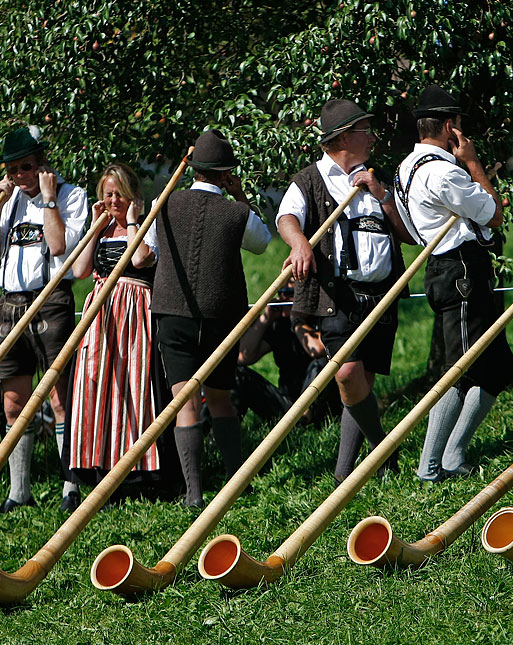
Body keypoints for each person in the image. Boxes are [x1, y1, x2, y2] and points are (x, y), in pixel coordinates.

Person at [277, 99, 414, 486]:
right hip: (337, 296)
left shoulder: (379, 175)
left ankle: (345, 474)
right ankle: (384, 450)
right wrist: (300, 243)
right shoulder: (310, 179)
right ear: (342, 138)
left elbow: (408, 234)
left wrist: (381, 193)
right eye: (364, 130)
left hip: (382, 293)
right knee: (347, 376)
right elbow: (286, 217)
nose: (372, 137)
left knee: (363, 382)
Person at [393, 85, 513, 483]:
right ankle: (429, 467)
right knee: (458, 371)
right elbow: (494, 214)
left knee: (497, 367)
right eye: (460, 125)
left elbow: (412, 230)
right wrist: (474, 163)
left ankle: (453, 455)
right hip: (460, 270)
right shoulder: (443, 170)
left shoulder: (404, 171)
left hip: (451, 267)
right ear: (450, 127)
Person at [146, 129, 270, 509]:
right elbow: (262, 243)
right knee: (219, 399)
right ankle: (237, 484)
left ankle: (194, 494)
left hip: (172, 313)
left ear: (193, 170)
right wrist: (241, 196)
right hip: (221, 317)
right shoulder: (238, 212)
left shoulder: (163, 204)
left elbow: (147, 251)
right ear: (225, 173)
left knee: (185, 402)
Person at [0, 127, 88, 513]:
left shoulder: (70, 196)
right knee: (12, 403)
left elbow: (59, 246)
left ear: (42, 164)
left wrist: (48, 199)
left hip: (51, 299)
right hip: (10, 304)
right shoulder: (7, 201)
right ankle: (18, 493)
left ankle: (69, 487)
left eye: (25, 167)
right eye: (12, 170)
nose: (18, 176)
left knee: (59, 398)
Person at [63, 163, 159, 509]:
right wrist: (93, 227)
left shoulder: (147, 226)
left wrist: (132, 220)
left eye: (120, 193)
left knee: (133, 387)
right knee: (97, 387)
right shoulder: (101, 232)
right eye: (108, 194)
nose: (114, 200)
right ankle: (96, 467)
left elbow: (141, 257)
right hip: (101, 313)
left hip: (134, 311)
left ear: (133, 196)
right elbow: (80, 270)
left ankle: (136, 471)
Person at [232, 280, 341, 425]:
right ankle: (228, 427)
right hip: (287, 405)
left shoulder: (323, 318)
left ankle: (303, 422)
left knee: (322, 364)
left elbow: (318, 350)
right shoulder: (280, 324)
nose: (283, 299)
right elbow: (243, 357)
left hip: (321, 409)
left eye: (289, 294)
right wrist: (265, 319)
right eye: (281, 294)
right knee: (238, 374)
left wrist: (297, 321)